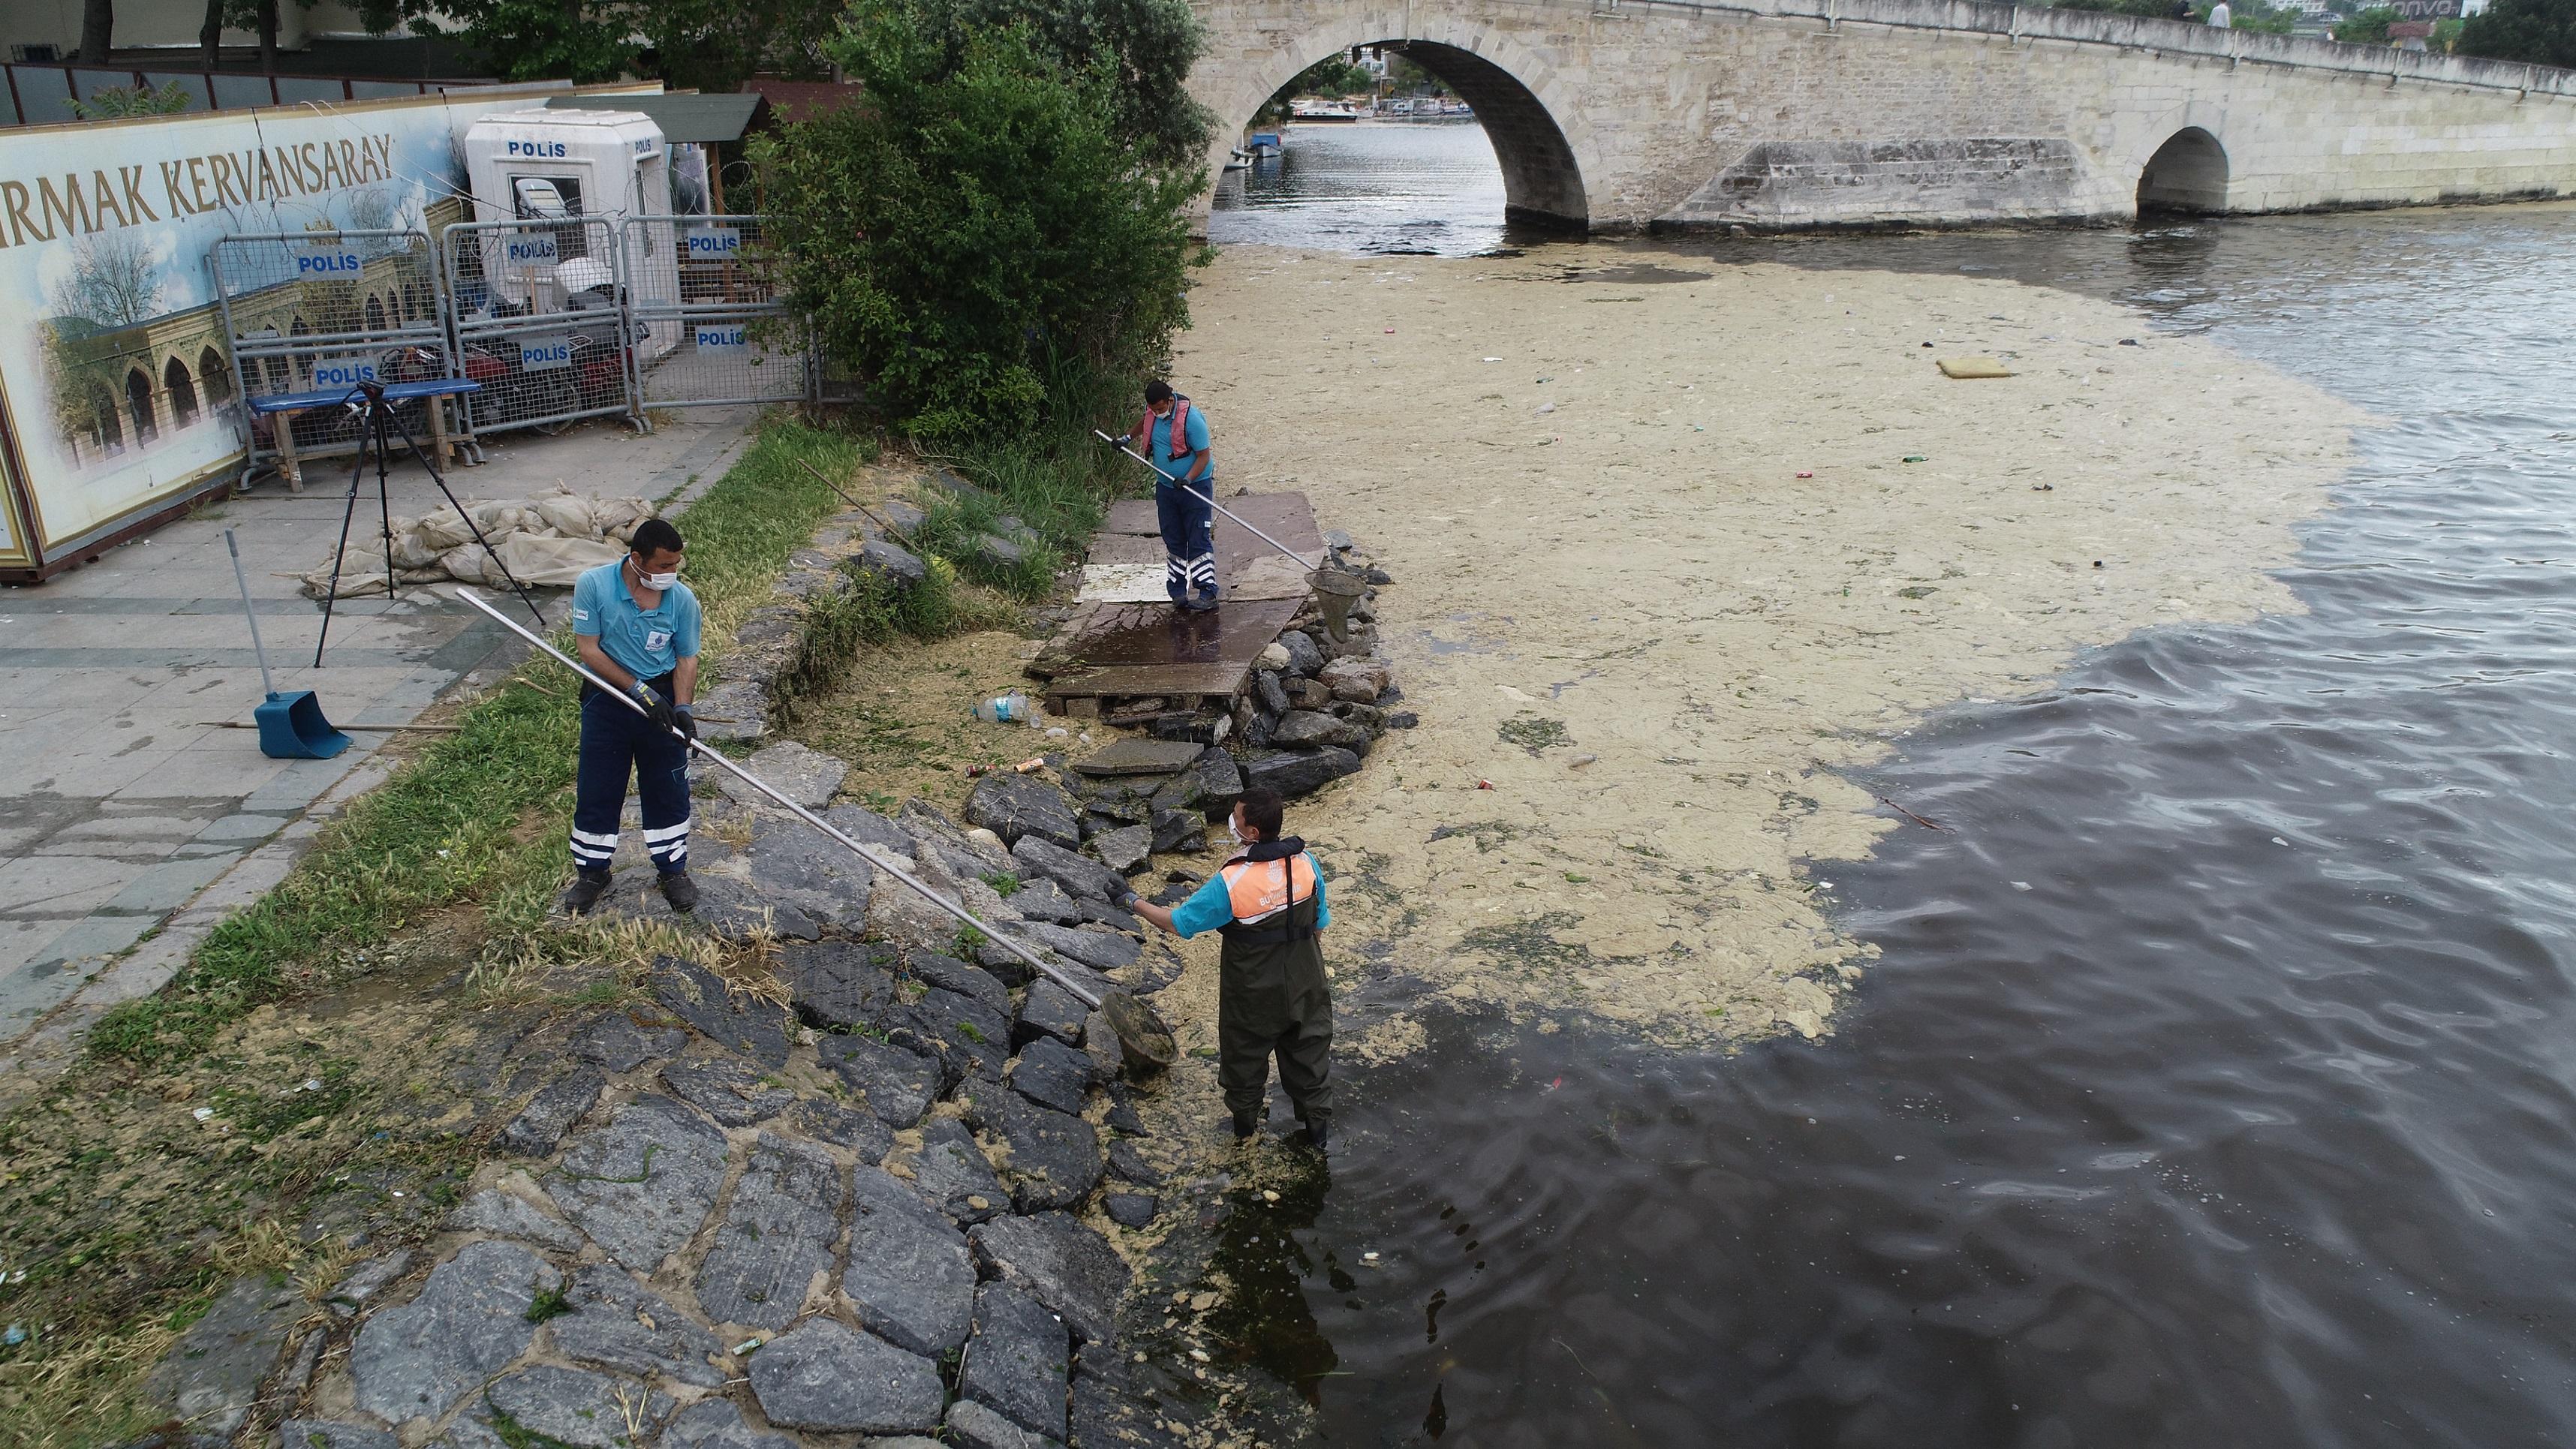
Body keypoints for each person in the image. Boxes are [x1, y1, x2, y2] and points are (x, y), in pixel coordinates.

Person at [1124, 787, 1334, 1149]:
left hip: (1252, 992)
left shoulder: (1231, 882)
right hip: (1306, 982)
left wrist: (1132, 901)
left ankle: (1244, 1133)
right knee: (1311, 1056)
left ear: (1252, 832)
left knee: (1244, 1060)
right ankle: (1317, 1138)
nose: (1231, 822)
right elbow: (1319, 926)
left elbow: (1176, 922)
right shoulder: (1306, 864)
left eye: (1236, 817)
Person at [561, 517, 703, 915]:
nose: (671, 573)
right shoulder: (594, 585)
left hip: (660, 695)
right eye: (663, 566)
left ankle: (672, 870)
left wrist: (682, 708)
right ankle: (592, 873)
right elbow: (588, 650)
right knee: (599, 785)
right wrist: (636, 690)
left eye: (677, 565)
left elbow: (686, 657)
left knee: (668, 785)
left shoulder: (682, 600)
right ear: (637, 559)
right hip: (607, 697)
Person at [1130, 379, 1218, 611]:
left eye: (1160, 409)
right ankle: (1178, 592)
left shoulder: (1192, 420)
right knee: (1174, 539)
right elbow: (1144, 424)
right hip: (1167, 490)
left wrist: (1188, 478)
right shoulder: (1153, 414)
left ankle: (1207, 592)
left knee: (1198, 538)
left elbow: (1203, 457)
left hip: (1195, 488)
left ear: (1170, 401)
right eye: (1153, 409)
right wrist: (1127, 438)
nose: (1157, 413)